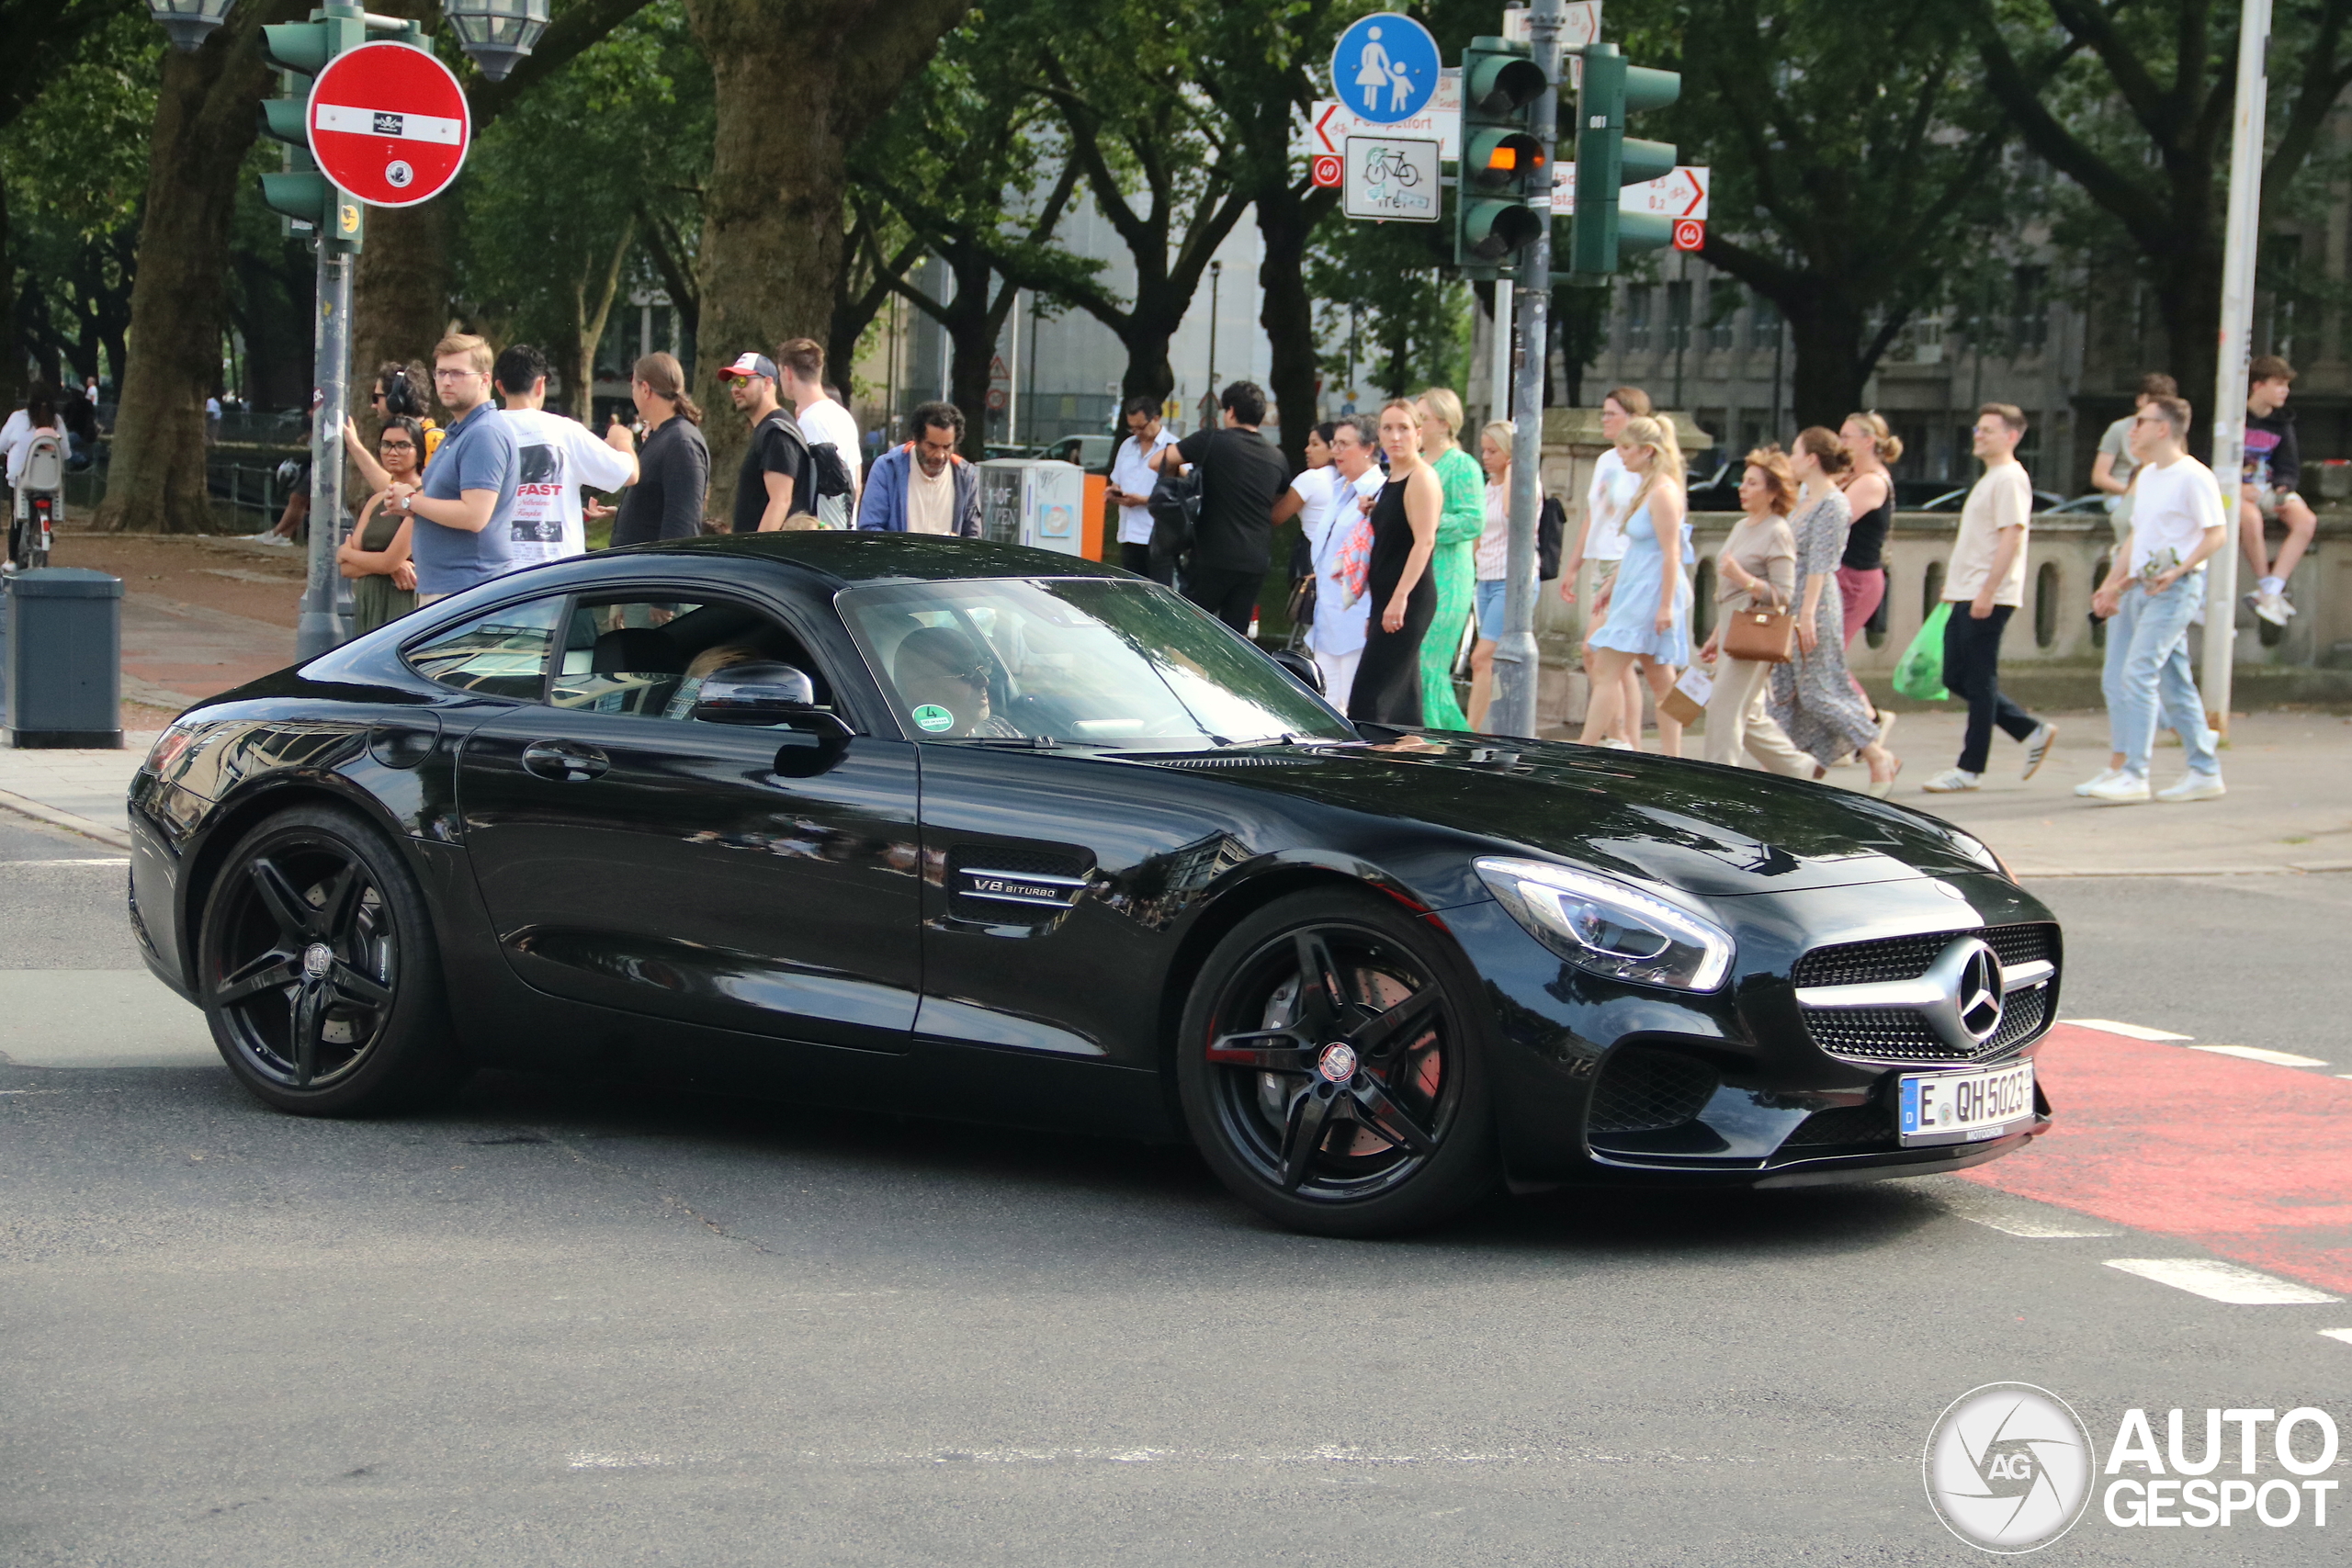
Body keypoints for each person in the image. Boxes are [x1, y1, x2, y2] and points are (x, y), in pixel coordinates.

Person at [2078, 395, 2228, 804]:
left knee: (2139, 673)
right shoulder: (2146, 475)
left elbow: (2216, 533)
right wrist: (2112, 584)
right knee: (2171, 681)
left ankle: (2135, 773)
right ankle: (2204, 769)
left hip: (2174, 589)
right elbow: (2136, 539)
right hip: (2141, 588)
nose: (2133, 429)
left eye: (2141, 421)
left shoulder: (2194, 476)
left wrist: (2178, 571)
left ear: (2163, 428)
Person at [1921, 404, 2058, 793]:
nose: (1978, 435)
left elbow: (2011, 537)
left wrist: (1987, 591)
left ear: (2012, 436)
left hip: (1987, 594)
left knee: (1980, 680)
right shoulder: (1992, 478)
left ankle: (1970, 768)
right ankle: (2029, 730)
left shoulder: (2011, 478)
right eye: (1977, 429)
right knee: (1955, 676)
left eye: (1988, 430)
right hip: (1966, 592)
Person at [1768, 429, 1903, 794]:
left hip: (1814, 605)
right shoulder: (1807, 499)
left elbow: (1822, 564)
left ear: (1811, 458)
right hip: (1790, 604)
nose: (1790, 460)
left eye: (1795, 452)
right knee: (1783, 692)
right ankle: (1799, 772)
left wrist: (1807, 613)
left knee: (1818, 691)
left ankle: (1876, 755)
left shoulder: (1833, 503)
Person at [379, 333, 519, 605]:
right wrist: (409, 504)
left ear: (485, 379)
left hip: (468, 591)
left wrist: (412, 500)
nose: (445, 381)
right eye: (441, 373)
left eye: (457, 373)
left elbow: (474, 516)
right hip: (449, 589)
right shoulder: (460, 432)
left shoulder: (484, 433)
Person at [1580, 414, 1690, 756]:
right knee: (1661, 681)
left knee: (1607, 668)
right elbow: (1639, 549)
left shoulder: (1663, 492)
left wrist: (1664, 606)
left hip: (1649, 591)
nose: (1621, 454)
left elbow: (1672, 553)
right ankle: (1674, 758)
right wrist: (1611, 583)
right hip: (1636, 586)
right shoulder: (1649, 487)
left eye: (1626, 448)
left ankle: (1586, 748)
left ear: (1647, 451)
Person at [1696, 448, 1808, 776]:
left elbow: (1784, 595)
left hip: (1754, 631)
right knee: (1751, 715)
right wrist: (1717, 635)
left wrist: (1744, 579)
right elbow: (1726, 592)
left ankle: (1719, 780)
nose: (1742, 488)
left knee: (1723, 708)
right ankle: (1801, 769)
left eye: (1751, 483)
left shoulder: (1778, 531)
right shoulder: (1742, 526)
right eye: (1743, 482)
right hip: (1731, 626)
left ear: (1773, 491)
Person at [1151, 380, 1287, 633]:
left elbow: (1158, 462)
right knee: (1235, 641)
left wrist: (1185, 478)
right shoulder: (1277, 456)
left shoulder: (1211, 441)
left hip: (1212, 555)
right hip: (1255, 561)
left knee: (1187, 631)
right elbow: (1276, 503)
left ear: (1231, 411)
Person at [1561, 387, 1651, 746]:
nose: (1604, 420)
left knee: (1596, 649)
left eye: (1611, 413)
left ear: (1632, 418)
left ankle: (1619, 735)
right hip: (1602, 562)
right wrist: (1574, 565)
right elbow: (1592, 517)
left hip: (1625, 563)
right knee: (1616, 659)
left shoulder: (1640, 465)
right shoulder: (1605, 461)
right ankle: (1624, 736)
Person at [493, 344, 639, 563]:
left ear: (500, 387)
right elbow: (629, 474)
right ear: (541, 384)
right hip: (557, 575)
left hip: (496, 578)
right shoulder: (565, 432)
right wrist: (624, 440)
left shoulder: (484, 432)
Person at [1347, 400, 1443, 724]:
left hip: (1408, 599)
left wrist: (1399, 599)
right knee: (1401, 696)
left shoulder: (1422, 477)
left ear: (1418, 434)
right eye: (1387, 428)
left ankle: (1376, 762)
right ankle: (1408, 759)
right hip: (1387, 600)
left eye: (1403, 428)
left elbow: (1424, 541)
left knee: (1370, 696)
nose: (1395, 436)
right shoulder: (1392, 480)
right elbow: (1394, 535)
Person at [1413, 387, 1483, 730]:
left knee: (1429, 666)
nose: (1416, 425)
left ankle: (1448, 742)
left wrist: (1427, 522)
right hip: (1417, 574)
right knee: (1417, 665)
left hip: (1449, 577)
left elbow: (1473, 520)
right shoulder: (1419, 464)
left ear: (1443, 422)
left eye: (1421, 418)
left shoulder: (1463, 465)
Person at [1309, 415, 1385, 710]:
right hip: (1327, 615)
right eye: (1334, 444)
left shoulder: (1380, 490)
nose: (1336, 452)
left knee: (1353, 706)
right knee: (1324, 704)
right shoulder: (1341, 488)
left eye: (1344, 444)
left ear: (1368, 448)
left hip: (1356, 615)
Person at [2239, 355, 2317, 626]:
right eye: (2278, 384)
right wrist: (2238, 486)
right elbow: (2213, 461)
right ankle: (2263, 583)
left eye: (2286, 385)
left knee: (2306, 520)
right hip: (2234, 490)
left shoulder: (2283, 424)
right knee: (2250, 518)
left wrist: (2285, 486)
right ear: (2258, 386)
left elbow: (2288, 465)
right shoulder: (2234, 416)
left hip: (2268, 488)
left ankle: (2271, 589)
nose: (2285, 391)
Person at [1465, 420, 1532, 731]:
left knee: (1481, 658)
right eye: (1483, 450)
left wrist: (1513, 471)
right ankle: (1499, 722)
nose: (1486, 457)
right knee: (1492, 661)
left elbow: (1511, 514)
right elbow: (1480, 528)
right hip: (1486, 576)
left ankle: (1471, 730)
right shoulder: (1487, 485)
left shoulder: (1522, 482)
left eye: (1493, 450)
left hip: (1512, 579)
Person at [608, 351, 708, 547]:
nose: (633, 394)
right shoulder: (663, 437)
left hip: (652, 573)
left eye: (633, 387)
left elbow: (681, 530)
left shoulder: (681, 443)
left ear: (645, 389)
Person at [336, 415, 423, 635]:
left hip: (403, 601)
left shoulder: (422, 498)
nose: (393, 452)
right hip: (368, 601)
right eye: (387, 445)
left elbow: (387, 561)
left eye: (403, 445)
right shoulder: (376, 500)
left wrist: (347, 552)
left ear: (418, 451)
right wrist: (392, 565)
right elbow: (346, 568)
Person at [716, 351, 815, 534]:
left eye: (743, 381)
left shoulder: (776, 432)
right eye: (733, 382)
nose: (735, 389)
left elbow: (781, 501)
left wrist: (753, 553)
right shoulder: (767, 429)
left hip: (769, 554)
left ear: (767, 383)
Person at [859, 401, 981, 536]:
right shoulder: (887, 468)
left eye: (947, 447)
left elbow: (973, 536)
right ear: (916, 439)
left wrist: (959, 547)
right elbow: (870, 529)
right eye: (932, 446)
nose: (940, 455)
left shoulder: (965, 476)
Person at [775, 338, 861, 527]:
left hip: (822, 536)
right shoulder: (843, 416)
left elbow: (817, 490)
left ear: (787, 373)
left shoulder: (812, 422)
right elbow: (856, 484)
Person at [2092, 373, 2177, 547]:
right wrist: (2130, 492)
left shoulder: (2169, 432)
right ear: (2140, 401)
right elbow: (2099, 476)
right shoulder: (2118, 429)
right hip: (2122, 494)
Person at [1106, 396, 1177, 579]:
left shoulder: (1173, 447)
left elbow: (1180, 494)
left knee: (1159, 594)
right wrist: (1115, 494)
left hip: (1158, 536)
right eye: (1132, 427)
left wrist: (1143, 500)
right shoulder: (1127, 446)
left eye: (1141, 427)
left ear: (1156, 418)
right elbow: (1117, 480)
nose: (1136, 432)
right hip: (1129, 534)